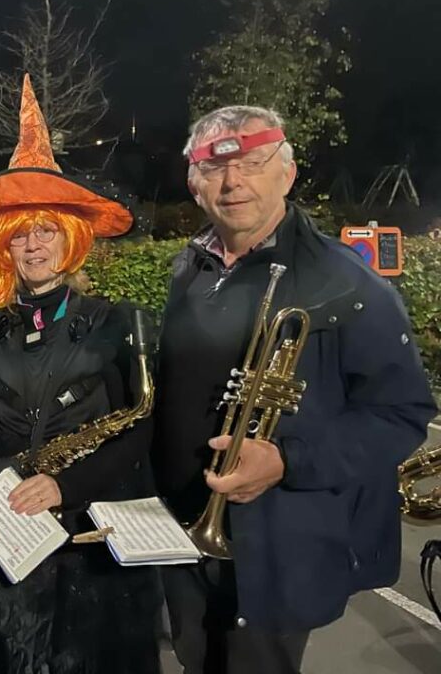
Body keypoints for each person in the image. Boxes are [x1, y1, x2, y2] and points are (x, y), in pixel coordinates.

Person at [153, 104, 437, 674]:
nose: (233, 182)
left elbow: (402, 411)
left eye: (254, 163)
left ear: (287, 172)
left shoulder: (349, 281)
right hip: (182, 535)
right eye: (214, 169)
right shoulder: (191, 268)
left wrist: (287, 460)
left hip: (278, 545)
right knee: (194, 661)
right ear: (193, 182)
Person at [0, 75, 162, 674]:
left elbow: (142, 428)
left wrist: (67, 486)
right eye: (20, 233)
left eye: (46, 229)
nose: (33, 245)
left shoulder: (120, 323)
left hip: (93, 534)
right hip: (12, 531)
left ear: (72, 237)